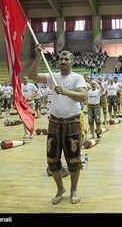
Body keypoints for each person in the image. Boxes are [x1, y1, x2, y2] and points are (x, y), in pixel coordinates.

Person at [28, 45, 87, 205]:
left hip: (72, 122)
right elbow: (32, 75)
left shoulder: (77, 78)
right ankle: (60, 188)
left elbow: (83, 97)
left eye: (66, 59)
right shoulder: (52, 76)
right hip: (54, 122)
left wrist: (66, 92)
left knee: (73, 160)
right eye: (61, 58)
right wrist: (39, 56)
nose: (63, 61)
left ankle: (74, 190)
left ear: (72, 62)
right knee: (52, 159)